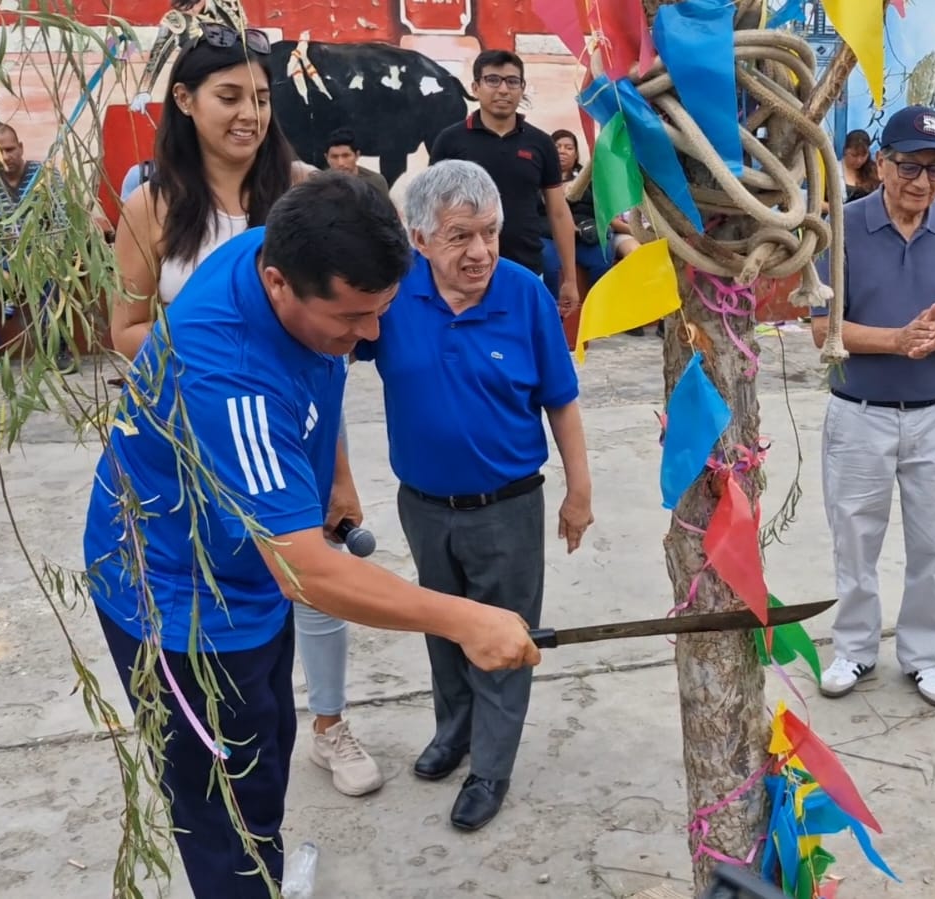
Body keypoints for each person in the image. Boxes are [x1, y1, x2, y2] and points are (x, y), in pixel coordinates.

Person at [84, 172, 541, 898]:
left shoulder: (300, 241)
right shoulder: (228, 368)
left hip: (251, 568)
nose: (369, 336)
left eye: (382, 310)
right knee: (221, 802)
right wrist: (464, 619)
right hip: (180, 594)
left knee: (266, 747)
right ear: (276, 284)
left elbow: (318, 372)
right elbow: (310, 574)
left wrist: (333, 477)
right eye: (353, 318)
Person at [106, 20, 387, 798]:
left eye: (261, 98)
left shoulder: (301, 194)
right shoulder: (151, 208)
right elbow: (124, 327)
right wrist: (210, 358)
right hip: (191, 440)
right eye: (228, 96)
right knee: (239, 588)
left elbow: (323, 364)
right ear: (185, 101)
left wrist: (337, 468)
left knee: (315, 562)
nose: (249, 115)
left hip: (290, 426)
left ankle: (330, 724)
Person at [354, 160, 592, 831]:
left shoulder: (522, 294)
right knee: (442, 629)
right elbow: (329, 353)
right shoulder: (393, 295)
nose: (480, 251)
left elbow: (562, 401)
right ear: (419, 239)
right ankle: (452, 731)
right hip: (423, 505)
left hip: (508, 507)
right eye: (460, 236)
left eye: (488, 232)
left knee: (504, 640)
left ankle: (490, 765)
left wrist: (579, 490)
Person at [812, 105, 935, 709]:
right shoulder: (841, 229)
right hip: (860, 410)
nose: (921, 182)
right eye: (909, 166)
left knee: (934, 545)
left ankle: (924, 656)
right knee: (854, 539)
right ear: (881, 164)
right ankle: (854, 648)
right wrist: (895, 340)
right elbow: (820, 329)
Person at [430, 50, 580, 318]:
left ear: (522, 88)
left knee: (519, 351)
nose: (503, 90)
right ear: (475, 87)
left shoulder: (541, 143)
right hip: (464, 270)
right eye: (493, 80)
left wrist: (569, 279)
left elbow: (558, 212)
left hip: (525, 268)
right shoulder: (450, 141)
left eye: (512, 82)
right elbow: (433, 210)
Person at [0, 123, 76, 371]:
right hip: (1, 257)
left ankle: (57, 348)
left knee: (48, 273)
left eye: (10, 149)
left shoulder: (45, 176)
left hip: (40, 251)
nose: (6, 157)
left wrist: (41, 249)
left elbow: (62, 220)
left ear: (20, 147)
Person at [540, 130, 641, 310]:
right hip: (550, 235)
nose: (562, 151)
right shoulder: (540, 177)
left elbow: (603, 212)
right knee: (548, 262)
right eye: (557, 147)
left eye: (568, 147)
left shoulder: (589, 179)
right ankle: (552, 312)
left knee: (601, 258)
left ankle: (596, 310)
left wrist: (584, 229)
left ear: (576, 153)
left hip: (586, 236)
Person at [324, 127, 391, 197]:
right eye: (334, 157)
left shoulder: (376, 182)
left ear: (357, 155)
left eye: (346, 156)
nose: (341, 163)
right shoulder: (320, 184)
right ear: (326, 158)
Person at [841, 129, 880, 202]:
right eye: (854, 155)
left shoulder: (875, 170)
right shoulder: (833, 170)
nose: (859, 160)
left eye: (863, 155)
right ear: (845, 151)